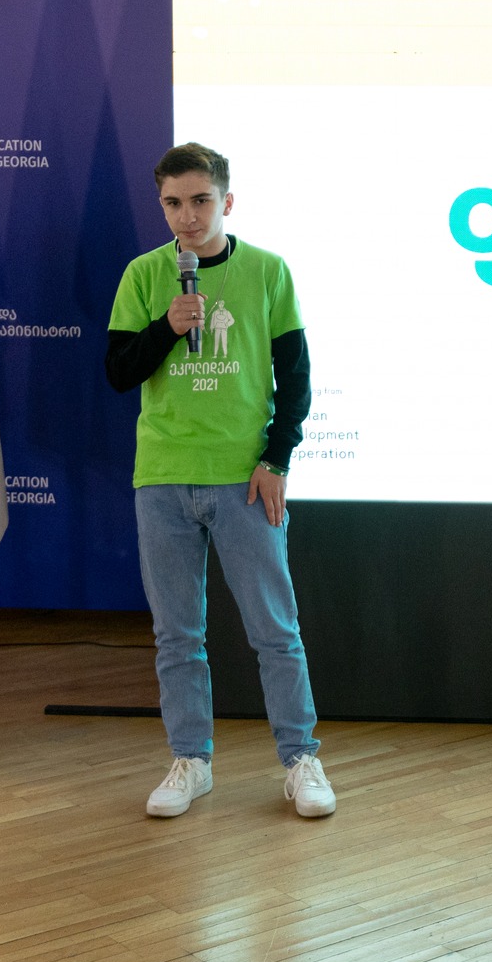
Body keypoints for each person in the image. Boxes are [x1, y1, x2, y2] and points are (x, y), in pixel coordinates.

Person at [104, 142, 334, 820]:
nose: (188, 216)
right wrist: (166, 327)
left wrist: (276, 459)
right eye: (173, 203)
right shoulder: (144, 275)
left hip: (243, 479)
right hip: (164, 476)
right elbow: (118, 371)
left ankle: (301, 759)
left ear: (226, 201)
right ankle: (191, 760)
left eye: (201, 200)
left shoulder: (267, 271)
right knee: (177, 635)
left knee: (275, 630)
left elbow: (295, 380)